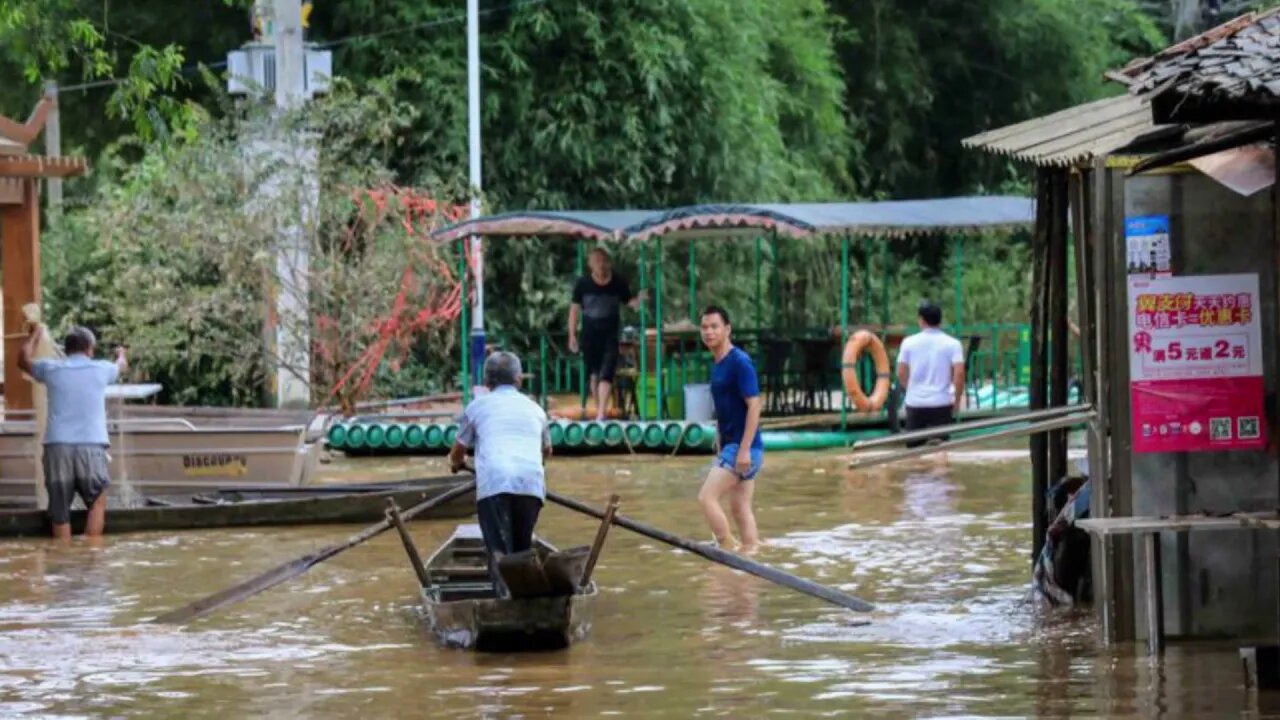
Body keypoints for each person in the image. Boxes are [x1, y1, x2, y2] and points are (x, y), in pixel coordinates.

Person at [448, 351, 552, 597]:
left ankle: (504, 603)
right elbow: (546, 450)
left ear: (487, 382)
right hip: (531, 483)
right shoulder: (536, 409)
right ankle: (525, 604)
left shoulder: (476, 407)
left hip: (495, 482)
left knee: (498, 552)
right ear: (519, 380)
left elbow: (457, 452)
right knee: (521, 548)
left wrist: (455, 463)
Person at [17, 325, 127, 540]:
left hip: (57, 447)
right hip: (91, 446)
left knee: (60, 510)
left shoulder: (51, 369)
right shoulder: (102, 369)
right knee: (97, 502)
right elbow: (122, 366)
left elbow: (22, 360)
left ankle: (64, 560)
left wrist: (35, 336)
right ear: (89, 349)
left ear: (66, 349)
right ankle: (92, 557)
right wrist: (121, 353)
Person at [695, 306, 763, 553]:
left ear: (727, 329)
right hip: (734, 444)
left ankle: (726, 550)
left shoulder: (739, 362)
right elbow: (726, 408)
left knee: (706, 497)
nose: (709, 332)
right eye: (704, 327)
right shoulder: (719, 363)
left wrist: (743, 450)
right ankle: (750, 558)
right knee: (740, 507)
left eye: (714, 327)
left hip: (744, 447)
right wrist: (720, 438)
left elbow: (754, 405)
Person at [568, 248, 645, 421]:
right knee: (594, 373)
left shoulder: (618, 282)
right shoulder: (583, 284)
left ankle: (602, 412)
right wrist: (572, 335)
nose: (601, 265)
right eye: (597, 261)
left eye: (604, 260)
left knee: (607, 371)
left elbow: (629, 302)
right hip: (589, 333)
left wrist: (639, 300)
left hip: (610, 332)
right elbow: (574, 310)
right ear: (590, 264)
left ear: (609, 263)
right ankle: (599, 408)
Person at [896, 300, 965, 448]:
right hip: (941, 404)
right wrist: (957, 400)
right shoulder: (953, 344)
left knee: (914, 452)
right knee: (941, 452)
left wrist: (912, 389)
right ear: (940, 320)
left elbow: (901, 372)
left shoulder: (908, 342)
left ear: (921, 320)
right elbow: (959, 374)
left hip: (915, 404)